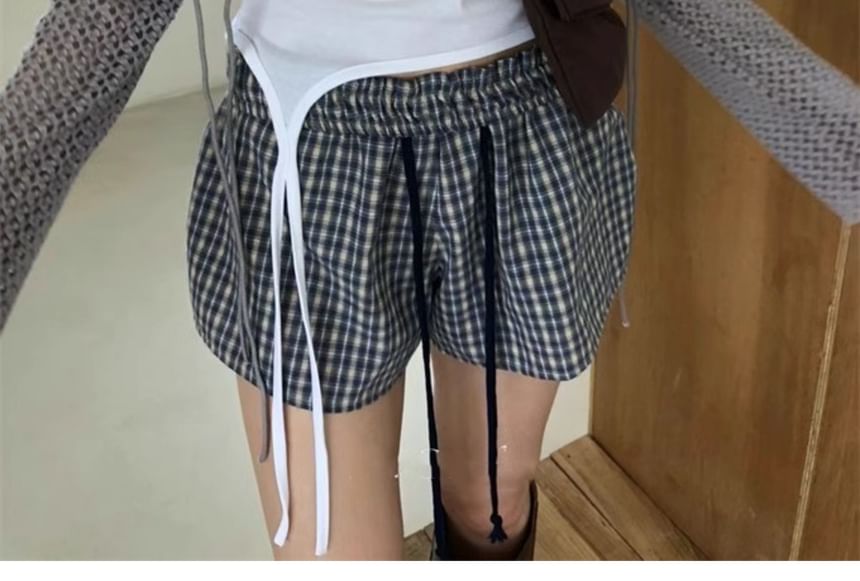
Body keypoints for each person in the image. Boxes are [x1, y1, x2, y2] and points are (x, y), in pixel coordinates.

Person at [0, 0, 636, 560]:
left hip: (523, 122)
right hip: (309, 144)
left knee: (490, 505)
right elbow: (99, 35)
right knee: (329, 550)